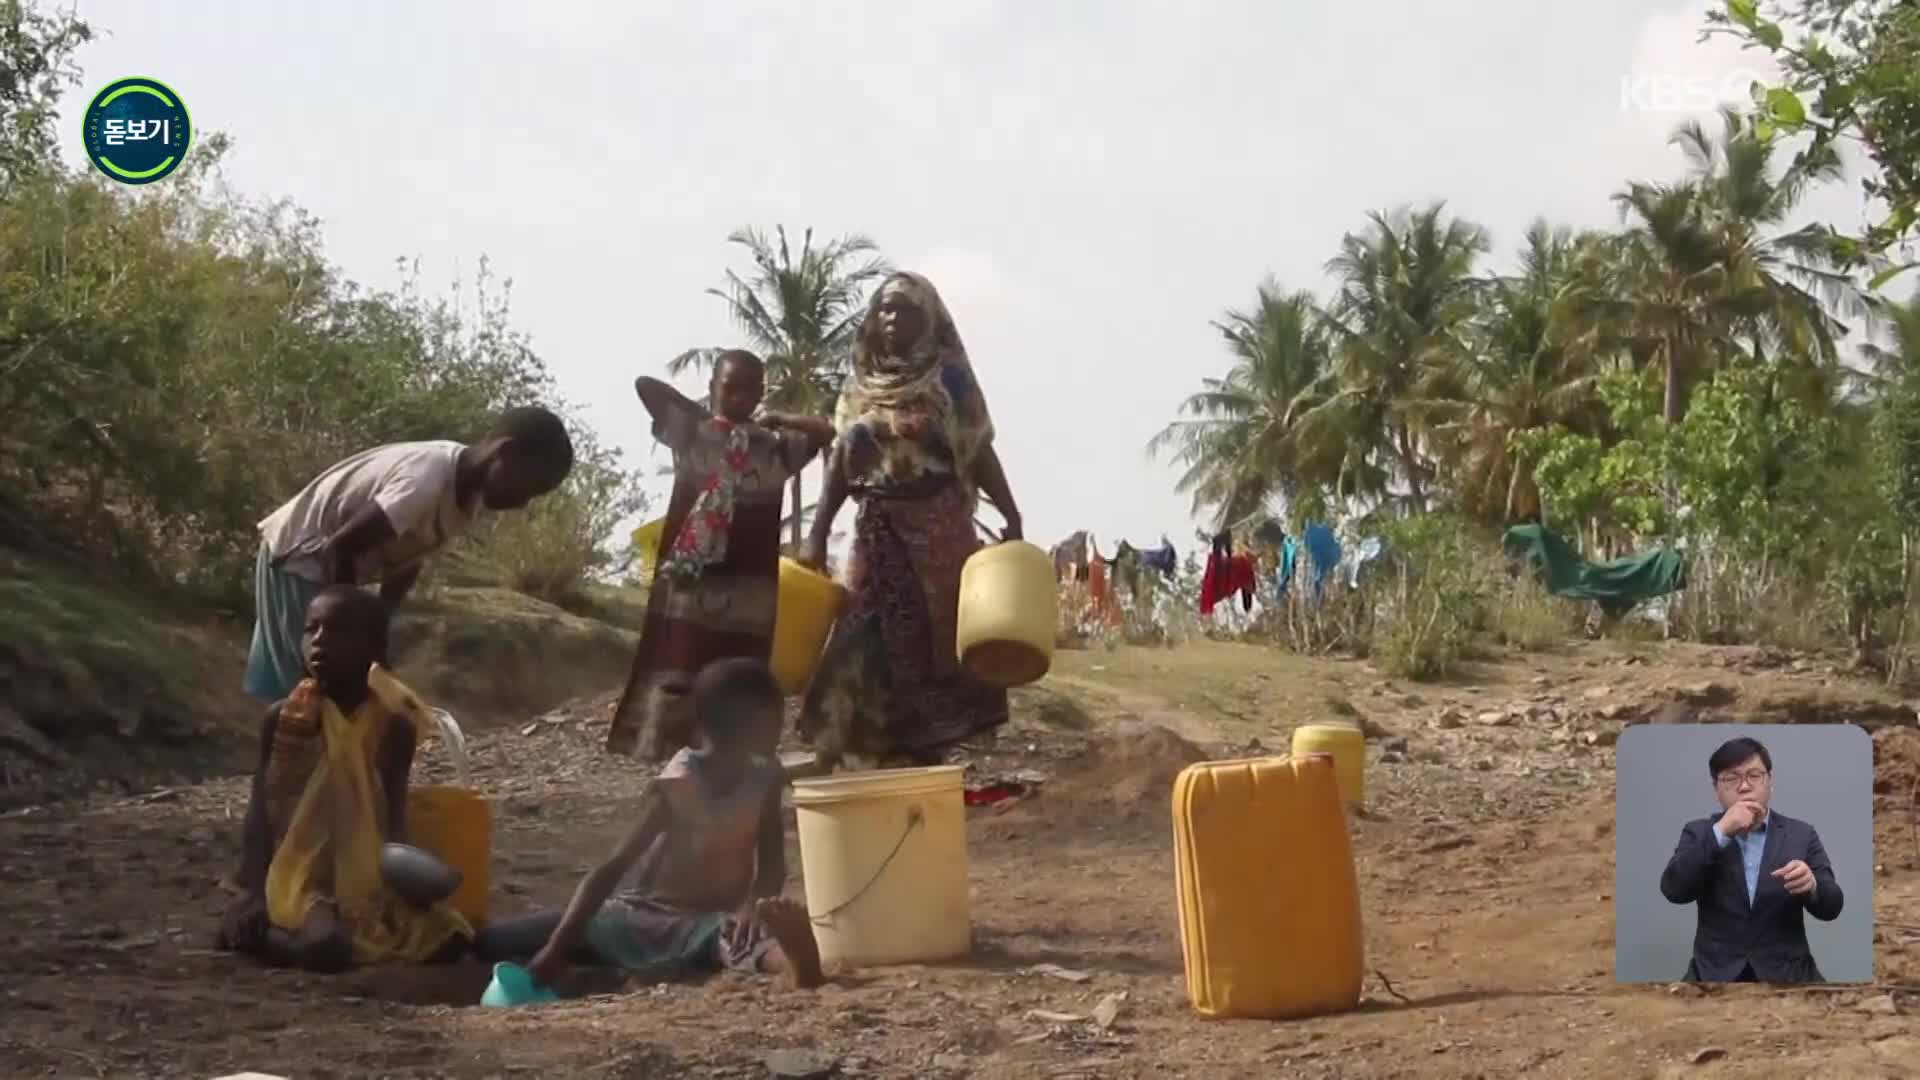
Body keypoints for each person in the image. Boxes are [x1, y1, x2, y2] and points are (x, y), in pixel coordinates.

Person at [477, 658, 825, 991]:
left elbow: (772, 863)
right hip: (634, 919)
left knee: (742, 938)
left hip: (707, 921)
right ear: (752, 726)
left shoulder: (765, 778)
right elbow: (611, 868)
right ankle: (786, 958)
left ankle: (799, 963)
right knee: (491, 942)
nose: (783, 726)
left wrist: (752, 907)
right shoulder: (677, 785)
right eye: (776, 718)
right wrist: (556, 947)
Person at [795, 272, 1022, 770]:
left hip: (937, 526)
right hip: (875, 524)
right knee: (859, 629)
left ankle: (925, 749)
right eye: (885, 310)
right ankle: (839, 745)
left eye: (906, 311)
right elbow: (839, 462)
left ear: (929, 320)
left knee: (933, 639)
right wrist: (816, 533)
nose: (893, 319)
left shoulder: (951, 380)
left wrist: (1011, 512)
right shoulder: (859, 384)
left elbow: (979, 449)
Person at [244, 407, 576, 703]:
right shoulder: (424, 482)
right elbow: (341, 547)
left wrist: (377, 639)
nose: (522, 504)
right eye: (529, 487)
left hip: (324, 568)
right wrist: (346, 629)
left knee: (319, 693)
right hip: (300, 560)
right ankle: (297, 768)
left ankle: (304, 766)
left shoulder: (465, 498)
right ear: (505, 452)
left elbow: (408, 560)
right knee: (315, 694)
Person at [218, 586, 472, 971]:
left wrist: (408, 881)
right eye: (311, 629)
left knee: (453, 938)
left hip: (364, 871)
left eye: (336, 631)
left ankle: (264, 932)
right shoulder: (286, 719)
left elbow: (393, 814)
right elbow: (261, 808)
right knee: (327, 947)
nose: (318, 641)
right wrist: (251, 889)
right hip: (301, 873)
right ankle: (264, 937)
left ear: (373, 645)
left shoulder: (394, 726)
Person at [606, 351, 834, 760]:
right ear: (713, 388)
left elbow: (824, 431)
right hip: (691, 583)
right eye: (730, 387)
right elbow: (646, 386)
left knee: (738, 676)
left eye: (750, 389)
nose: (739, 397)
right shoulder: (692, 433)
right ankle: (668, 760)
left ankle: (732, 764)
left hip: (748, 588)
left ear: (761, 393)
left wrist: (778, 419)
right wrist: (702, 412)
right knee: (679, 668)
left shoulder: (773, 449)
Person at [1658, 736, 1844, 982]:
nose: (1744, 786)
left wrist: (1812, 886)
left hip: (1790, 976)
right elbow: (1674, 890)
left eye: (1754, 775)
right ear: (1716, 790)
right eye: (1731, 778)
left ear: (1770, 783)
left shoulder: (1801, 834)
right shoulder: (1699, 833)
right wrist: (1722, 830)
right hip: (1712, 974)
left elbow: (1832, 906)